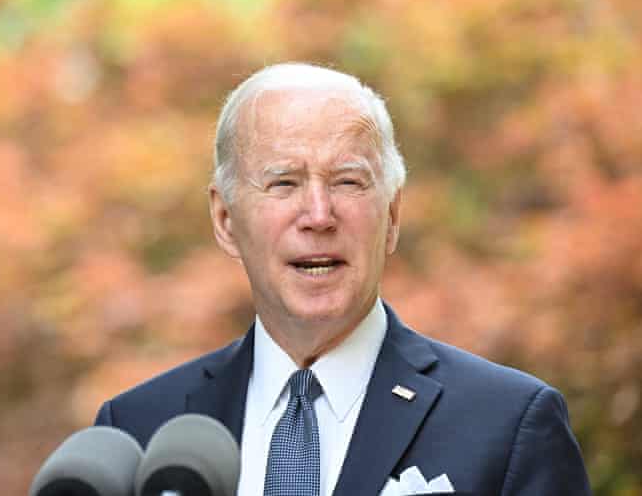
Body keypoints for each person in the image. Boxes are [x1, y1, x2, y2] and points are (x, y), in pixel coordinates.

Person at [94, 63, 591, 495]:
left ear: (392, 216)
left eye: (348, 182)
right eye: (283, 183)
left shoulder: (508, 425)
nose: (318, 215)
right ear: (225, 221)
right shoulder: (138, 433)